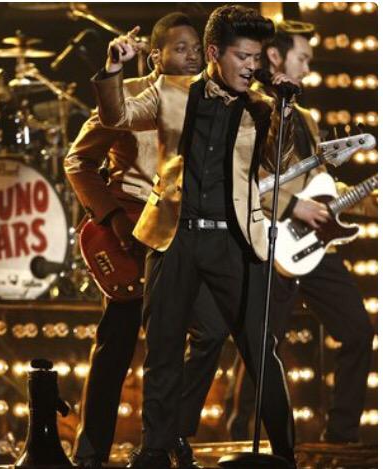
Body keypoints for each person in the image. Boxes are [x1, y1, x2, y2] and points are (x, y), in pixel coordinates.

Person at [92, 5, 299, 468]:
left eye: (257, 58)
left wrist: (284, 108)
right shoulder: (170, 92)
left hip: (234, 240)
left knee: (258, 348)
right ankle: (155, 448)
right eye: (243, 57)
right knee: (163, 347)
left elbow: (278, 161)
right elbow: (117, 116)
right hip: (174, 236)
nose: (251, 66)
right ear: (213, 53)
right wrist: (112, 70)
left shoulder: (260, 107)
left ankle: (286, 451)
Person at [179, 20, 375, 446]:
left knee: (359, 330)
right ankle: (238, 435)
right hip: (266, 239)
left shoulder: (305, 118)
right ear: (275, 56)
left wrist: (365, 198)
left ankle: (341, 438)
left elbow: (318, 182)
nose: (307, 68)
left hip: (313, 244)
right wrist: (291, 206)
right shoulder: (247, 107)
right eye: (302, 58)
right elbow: (239, 180)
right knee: (261, 346)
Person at [64, 12, 203, 469]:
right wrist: (113, 220)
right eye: (181, 48)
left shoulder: (210, 99)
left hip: (185, 233)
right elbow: (77, 162)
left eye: (198, 48)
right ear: (155, 55)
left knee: (190, 341)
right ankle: (91, 452)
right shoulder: (130, 96)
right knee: (117, 343)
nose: (193, 56)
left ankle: (166, 443)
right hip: (131, 233)